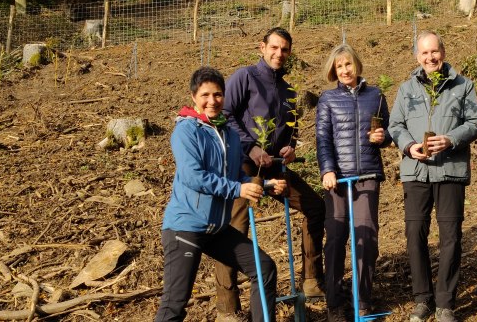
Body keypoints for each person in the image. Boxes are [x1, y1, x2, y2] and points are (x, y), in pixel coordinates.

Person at [154, 67, 287, 322]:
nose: (212, 101)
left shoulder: (229, 135)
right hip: (186, 227)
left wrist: (267, 185)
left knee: (263, 268)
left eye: (217, 95)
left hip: (216, 228)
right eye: (205, 95)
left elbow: (237, 177)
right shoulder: (186, 131)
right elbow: (194, 177)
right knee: (175, 304)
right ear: (194, 96)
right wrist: (239, 189)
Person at [215, 27, 326, 321]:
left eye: (285, 49)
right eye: (274, 48)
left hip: (276, 166)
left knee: (316, 208)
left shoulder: (289, 89)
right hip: (244, 166)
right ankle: (227, 306)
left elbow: (291, 127)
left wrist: (290, 146)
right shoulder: (245, 77)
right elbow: (225, 115)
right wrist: (250, 148)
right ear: (262, 47)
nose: (279, 54)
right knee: (233, 230)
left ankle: (312, 279)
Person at [388, 31, 477, 322]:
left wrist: (451, 139)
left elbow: (476, 122)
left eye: (435, 52)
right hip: (415, 172)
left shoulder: (463, 86)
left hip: (450, 172)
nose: (430, 58)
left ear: (443, 52)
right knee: (414, 235)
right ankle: (423, 299)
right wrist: (408, 146)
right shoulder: (407, 89)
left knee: (450, 237)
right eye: (424, 53)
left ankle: (445, 303)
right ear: (417, 57)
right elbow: (395, 124)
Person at [315, 45, 392, 322]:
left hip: (367, 177)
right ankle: (335, 303)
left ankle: (362, 299)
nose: (345, 70)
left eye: (348, 64)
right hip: (337, 181)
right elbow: (323, 139)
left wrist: (382, 136)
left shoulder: (376, 96)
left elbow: (389, 131)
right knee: (336, 239)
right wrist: (327, 170)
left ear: (356, 65)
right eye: (339, 66)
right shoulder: (328, 99)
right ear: (333, 71)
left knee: (367, 240)